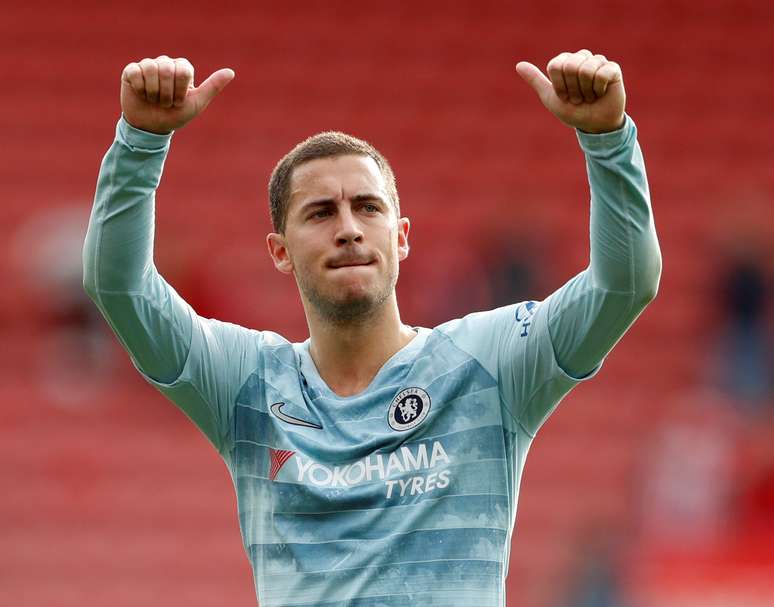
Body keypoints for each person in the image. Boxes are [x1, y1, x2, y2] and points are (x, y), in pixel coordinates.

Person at [82, 50, 661, 607]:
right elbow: (119, 288)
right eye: (320, 213)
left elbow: (625, 285)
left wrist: (608, 139)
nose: (350, 229)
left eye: (368, 207)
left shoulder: (490, 362)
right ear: (279, 252)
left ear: (401, 236)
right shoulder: (246, 384)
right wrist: (140, 142)